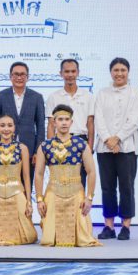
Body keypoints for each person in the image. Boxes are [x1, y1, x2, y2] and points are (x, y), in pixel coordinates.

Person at [35, 104, 100, 247]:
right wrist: (39, 199)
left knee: (83, 238)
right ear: (54, 122)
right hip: (53, 192)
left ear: (71, 122)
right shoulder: (45, 146)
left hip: (76, 193)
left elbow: (91, 171)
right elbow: (39, 174)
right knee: (49, 240)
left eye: (66, 119)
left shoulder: (81, 144)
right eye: (60, 119)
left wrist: (89, 198)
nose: (64, 123)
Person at [94, 57, 138, 241]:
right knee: (107, 187)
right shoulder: (102, 93)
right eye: (116, 70)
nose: (119, 73)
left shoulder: (135, 94)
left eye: (123, 70)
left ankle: (125, 226)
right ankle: (109, 226)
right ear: (111, 72)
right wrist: (108, 139)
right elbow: (98, 118)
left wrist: (117, 138)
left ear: (128, 72)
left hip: (127, 148)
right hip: (104, 148)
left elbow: (135, 120)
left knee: (126, 187)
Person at [0, 114, 37, 245]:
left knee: (28, 236)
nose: (6, 129)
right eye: (2, 125)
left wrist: (29, 201)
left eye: (10, 125)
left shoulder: (22, 148)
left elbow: (26, 177)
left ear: (14, 128)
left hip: (17, 192)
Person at [0, 62, 45, 186]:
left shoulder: (37, 97)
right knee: (5, 185)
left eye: (22, 74)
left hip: (30, 150)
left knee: (27, 184)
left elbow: (41, 126)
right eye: (16, 74)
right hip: (4, 150)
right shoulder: (1, 96)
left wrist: (38, 151)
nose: (19, 77)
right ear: (10, 76)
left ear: (27, 77)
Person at [46, 59, 94, 188]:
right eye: (67, 71)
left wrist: (89, 147)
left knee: (80, 182)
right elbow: (50, 124)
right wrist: (51, 148)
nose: (70, 75)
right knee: (59, 181)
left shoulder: (88, 96)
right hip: (59, 142)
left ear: (78, 72)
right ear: (61, 73)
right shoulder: (53, 97)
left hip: (81, 141)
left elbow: (90, 123)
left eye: (73, 71)